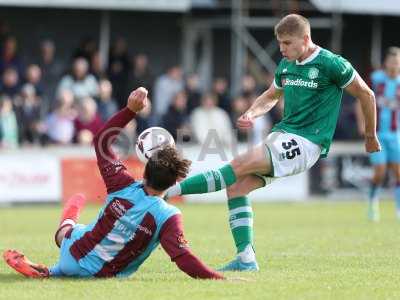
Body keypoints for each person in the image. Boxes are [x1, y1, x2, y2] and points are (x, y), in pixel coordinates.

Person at [165, 14, 381, 271]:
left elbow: (366, 94)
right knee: (236, 188)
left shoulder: (332, 64)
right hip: (282, 135)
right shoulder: (286, 65)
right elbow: (271, 95)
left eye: (287, 43)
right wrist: (252, 113)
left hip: (307, 142)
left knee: (239, 164)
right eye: (280, 43)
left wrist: (370, 135)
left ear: (305, 38)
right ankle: (246, 259)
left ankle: (167, 191)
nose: (282, 49)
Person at [3, 87, 224, 280]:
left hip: (72, 254)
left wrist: (130, 110)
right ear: (175, 181)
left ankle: (57, 255)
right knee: (82, 236)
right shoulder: (168, 216)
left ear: (144, 169)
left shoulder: (122, 184)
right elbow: (183, 258)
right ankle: (52, 269)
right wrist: (220, 279)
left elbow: (101, 141)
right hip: (102, 274)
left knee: (66, 234)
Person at [356, 47, 400, 221]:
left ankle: (398, 210)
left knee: (398, 173)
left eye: (397, 62)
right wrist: (362, 124)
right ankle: (372, 204)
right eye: (392, 62)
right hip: (377, 134)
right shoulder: (375, 79)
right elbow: (361, 99)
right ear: (386, 63)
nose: (394, 65)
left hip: (396, 134)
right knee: (380, 172)